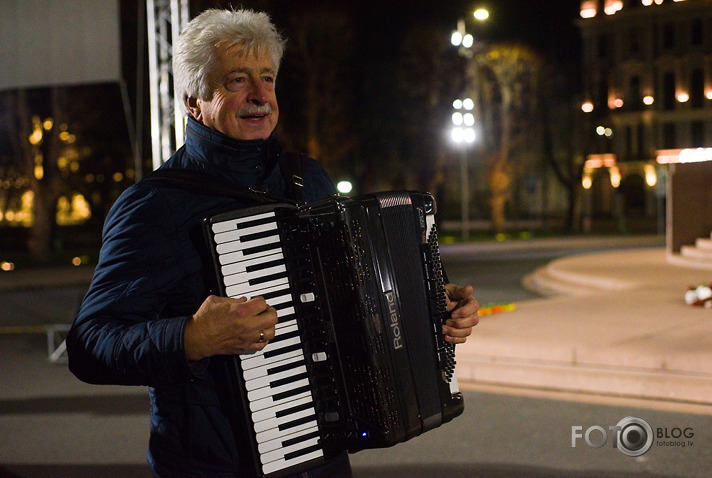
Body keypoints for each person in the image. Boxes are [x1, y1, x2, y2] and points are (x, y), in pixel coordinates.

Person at [67, 8, 480, 478]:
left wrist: (430, 309)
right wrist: (190, 338)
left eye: (267, 78)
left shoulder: (308, 180)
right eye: (238, 80)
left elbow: (351, 303)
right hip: (213, 465)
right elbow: (89, 344)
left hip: (324, 460)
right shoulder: (153, 205)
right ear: (193, 101)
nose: (261, 96)